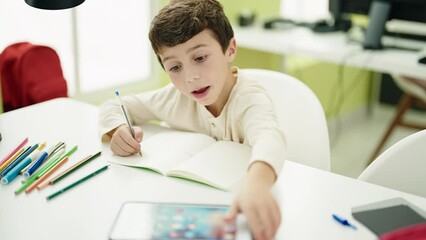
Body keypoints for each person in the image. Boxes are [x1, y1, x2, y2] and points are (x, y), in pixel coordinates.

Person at [98, 0, 287, 239]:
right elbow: (114, 105)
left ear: (230, 49)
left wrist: (257, 185)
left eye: (199, 58)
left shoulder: (249, 98)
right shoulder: (175, 97)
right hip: (186, 207)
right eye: (175, 67)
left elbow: (270, 137)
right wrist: (117, 129)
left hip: (244, 210)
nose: (190, 77)